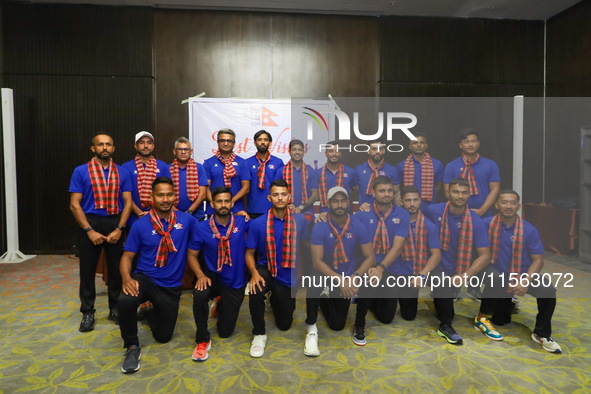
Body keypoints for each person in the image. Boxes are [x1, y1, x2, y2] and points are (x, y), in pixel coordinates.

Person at [117, 177, 198, 373]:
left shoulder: (186, 220)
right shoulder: (140, 224)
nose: (165, 199)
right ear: (151, 197)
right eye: (160, 195)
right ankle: (132, 347)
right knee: (125, 300)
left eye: (169, 194)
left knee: (163, 337)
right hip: (145, 278)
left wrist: (238, 217)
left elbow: (210, 229)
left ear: (174, 196)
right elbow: (127, 258)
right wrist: (127, 279)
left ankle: (148, 313)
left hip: (170, 286)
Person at [475, 190, 561, 353]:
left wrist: (525, 281)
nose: (509, 206)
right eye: (504, 202)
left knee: (548, 290)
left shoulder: (529, 230)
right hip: (497, 275)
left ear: (518, 206)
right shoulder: (487, 224)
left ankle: (542, 334)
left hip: (521, 275)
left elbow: (538, 260)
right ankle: (490, 313)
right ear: (497, 204)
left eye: (513, 203)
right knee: (500, 319)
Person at [69, 133, 132, 332]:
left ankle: (115, 308)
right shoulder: (80, 171)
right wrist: (89, 230)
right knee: (87, 270)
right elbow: (74, 204)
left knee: (116, 270)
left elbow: (128, 203)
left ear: (113, 148)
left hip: (115, 222)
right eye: (100, 144)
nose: (104, 147)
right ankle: (88, 312)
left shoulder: (122, 172)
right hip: (90, 221)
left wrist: (119, 229)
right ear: (93, 148)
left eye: (108, 144)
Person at [304, 187, 375, 356]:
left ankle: (359, 323)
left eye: (343, 200)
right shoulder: (320, 226)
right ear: (328, 203)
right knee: (313, 280)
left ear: (348, 203)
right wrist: (340, 280)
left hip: (349, 274)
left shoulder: (357, 225)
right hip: (328, 274)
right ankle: (311, 329)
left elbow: (370, 258)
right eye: (335, 201)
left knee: (337, 325)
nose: (339, 204)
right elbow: (316, 262)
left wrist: (354, 277)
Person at [245, 180, 310, 357]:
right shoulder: (258, 223)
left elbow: (305, 248)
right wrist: (254, 274)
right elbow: (249, 253)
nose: (280, 198)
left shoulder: (300, 220)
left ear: (289, 197)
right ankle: (258, 333)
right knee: (256, 289)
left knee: (285, 324)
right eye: (275, 194)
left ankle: (273, 298)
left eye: (283, 194)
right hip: (266, 268)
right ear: (269, 197)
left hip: (287, 273)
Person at [187, 187, 250, 362]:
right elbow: (191, 255)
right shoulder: (201, 227)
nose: (223, 205)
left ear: (232, 203)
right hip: (213, 276)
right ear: (212, 204)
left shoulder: (242, 222)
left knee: (225, 333)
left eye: (227, 201)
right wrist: (200, 275)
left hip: (235, 281)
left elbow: (265, 224)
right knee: (199, 294)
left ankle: (221, 302)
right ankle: (202, 339)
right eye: (219, 201)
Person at [427, 178, 490, 345]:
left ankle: (451, 323)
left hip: (460, 269)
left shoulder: (475, 220)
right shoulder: (434, 210)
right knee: (442, 296)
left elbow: (485, 255)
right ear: (448, 193)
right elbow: (408, 211)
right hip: (435, 266)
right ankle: (445, 324)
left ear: (469, 194)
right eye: (456, 191)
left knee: (494, 276)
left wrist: (466, 275)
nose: (460, 196)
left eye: (464, 192)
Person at [353, 177, 409, 340]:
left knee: (386, 318)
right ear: (373, 193)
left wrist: (381, 268)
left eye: (390, 190)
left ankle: (368, 298)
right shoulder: (362, 213)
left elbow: (397, 247)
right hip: (367, 263)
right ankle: (359, 323)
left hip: (389, 266)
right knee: (372, 277)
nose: (386, 194)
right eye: (382, 191)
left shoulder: (402, 214)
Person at [443, 129, 500, 218]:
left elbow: (495, 190)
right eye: (466, 142)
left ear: (478, 143)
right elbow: (447, 192)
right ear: (460, 145)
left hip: (485, 214)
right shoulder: (451, 166)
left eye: (474, 141)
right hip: (458, 214)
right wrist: (461, 210)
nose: (470, 145)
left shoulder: (490, 164)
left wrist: (482, 210)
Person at [122, 131, 171, 229]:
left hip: (159, 217)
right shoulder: (126, 167)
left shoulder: (163, 166)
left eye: (149, 143)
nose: (145, 146)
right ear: (135, 146)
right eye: (142, 142)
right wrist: (139, 213)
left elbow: (168, 193)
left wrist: (151, 213)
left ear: (153, 146)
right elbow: (124, 195)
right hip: (133, 218)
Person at [203, 129, 250, 217]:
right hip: (214, 210)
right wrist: (215, 203)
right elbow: (205, 188)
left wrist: (230, 201)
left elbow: (246, 188)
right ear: (218, 142)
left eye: (229, 141)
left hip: (236, 209)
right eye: (222, 140)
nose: (226, 143)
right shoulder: (208, 163)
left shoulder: (242, 162)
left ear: (234, 143)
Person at [396, 133, 444, 214]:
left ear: (426, 145)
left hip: (429, 207)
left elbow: (439, 186)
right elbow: (400, 187)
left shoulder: (436, 164)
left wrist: (426, 195)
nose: (418, 145)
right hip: (408, 208)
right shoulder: (402, 165)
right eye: (415, 143)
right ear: (410, 147)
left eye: (421, 142)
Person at [245, 130, 284, 219]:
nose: (262, 142)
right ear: (255, 143)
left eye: (265, 140)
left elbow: (282, 187)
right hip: (252, 209)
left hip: (273, 208)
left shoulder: (278, 162)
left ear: (270, 142)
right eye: (259, 140)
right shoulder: (247, 163)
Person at [169, 137, 209, 221]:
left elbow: (203, 195)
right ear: (174, 151)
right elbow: (164, 193)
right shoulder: (167, 169)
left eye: (186, 149)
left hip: (196, 216)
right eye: (180, 149)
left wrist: (189, 211)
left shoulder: (199, 168)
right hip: (172, 215)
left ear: (191, 151)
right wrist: (174, 210)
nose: (183, 152)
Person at [279, 139, 319, 221]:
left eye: (300, 150)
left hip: (307, 216)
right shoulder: (281, 171)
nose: (297, 152)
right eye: (294, 150)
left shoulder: (310, 170)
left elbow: (315, 195)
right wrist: (287, 205)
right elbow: (276, 194)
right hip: (285, 214)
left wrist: (300, 207)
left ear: (303, 152)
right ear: (289, 152)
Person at [356, 140, 400, 211]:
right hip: (366, 210)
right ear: (368, 151)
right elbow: (357, 190)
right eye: (374, 149)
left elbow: (396, 194)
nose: (377, 152)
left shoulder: (392, 170)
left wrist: (398, 212)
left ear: (384, 151)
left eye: (380, 149)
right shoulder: (359, 169)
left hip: (387, 211)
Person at [316, 141, 359, 214]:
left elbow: (357, 189)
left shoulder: (350, 172)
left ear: (340, 153)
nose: (334, 154)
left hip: (344, 214)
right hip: (324, 215)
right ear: (326, 154)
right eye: (331, 151)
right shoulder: (318, 173)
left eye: (337, 151)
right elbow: (315, 193)